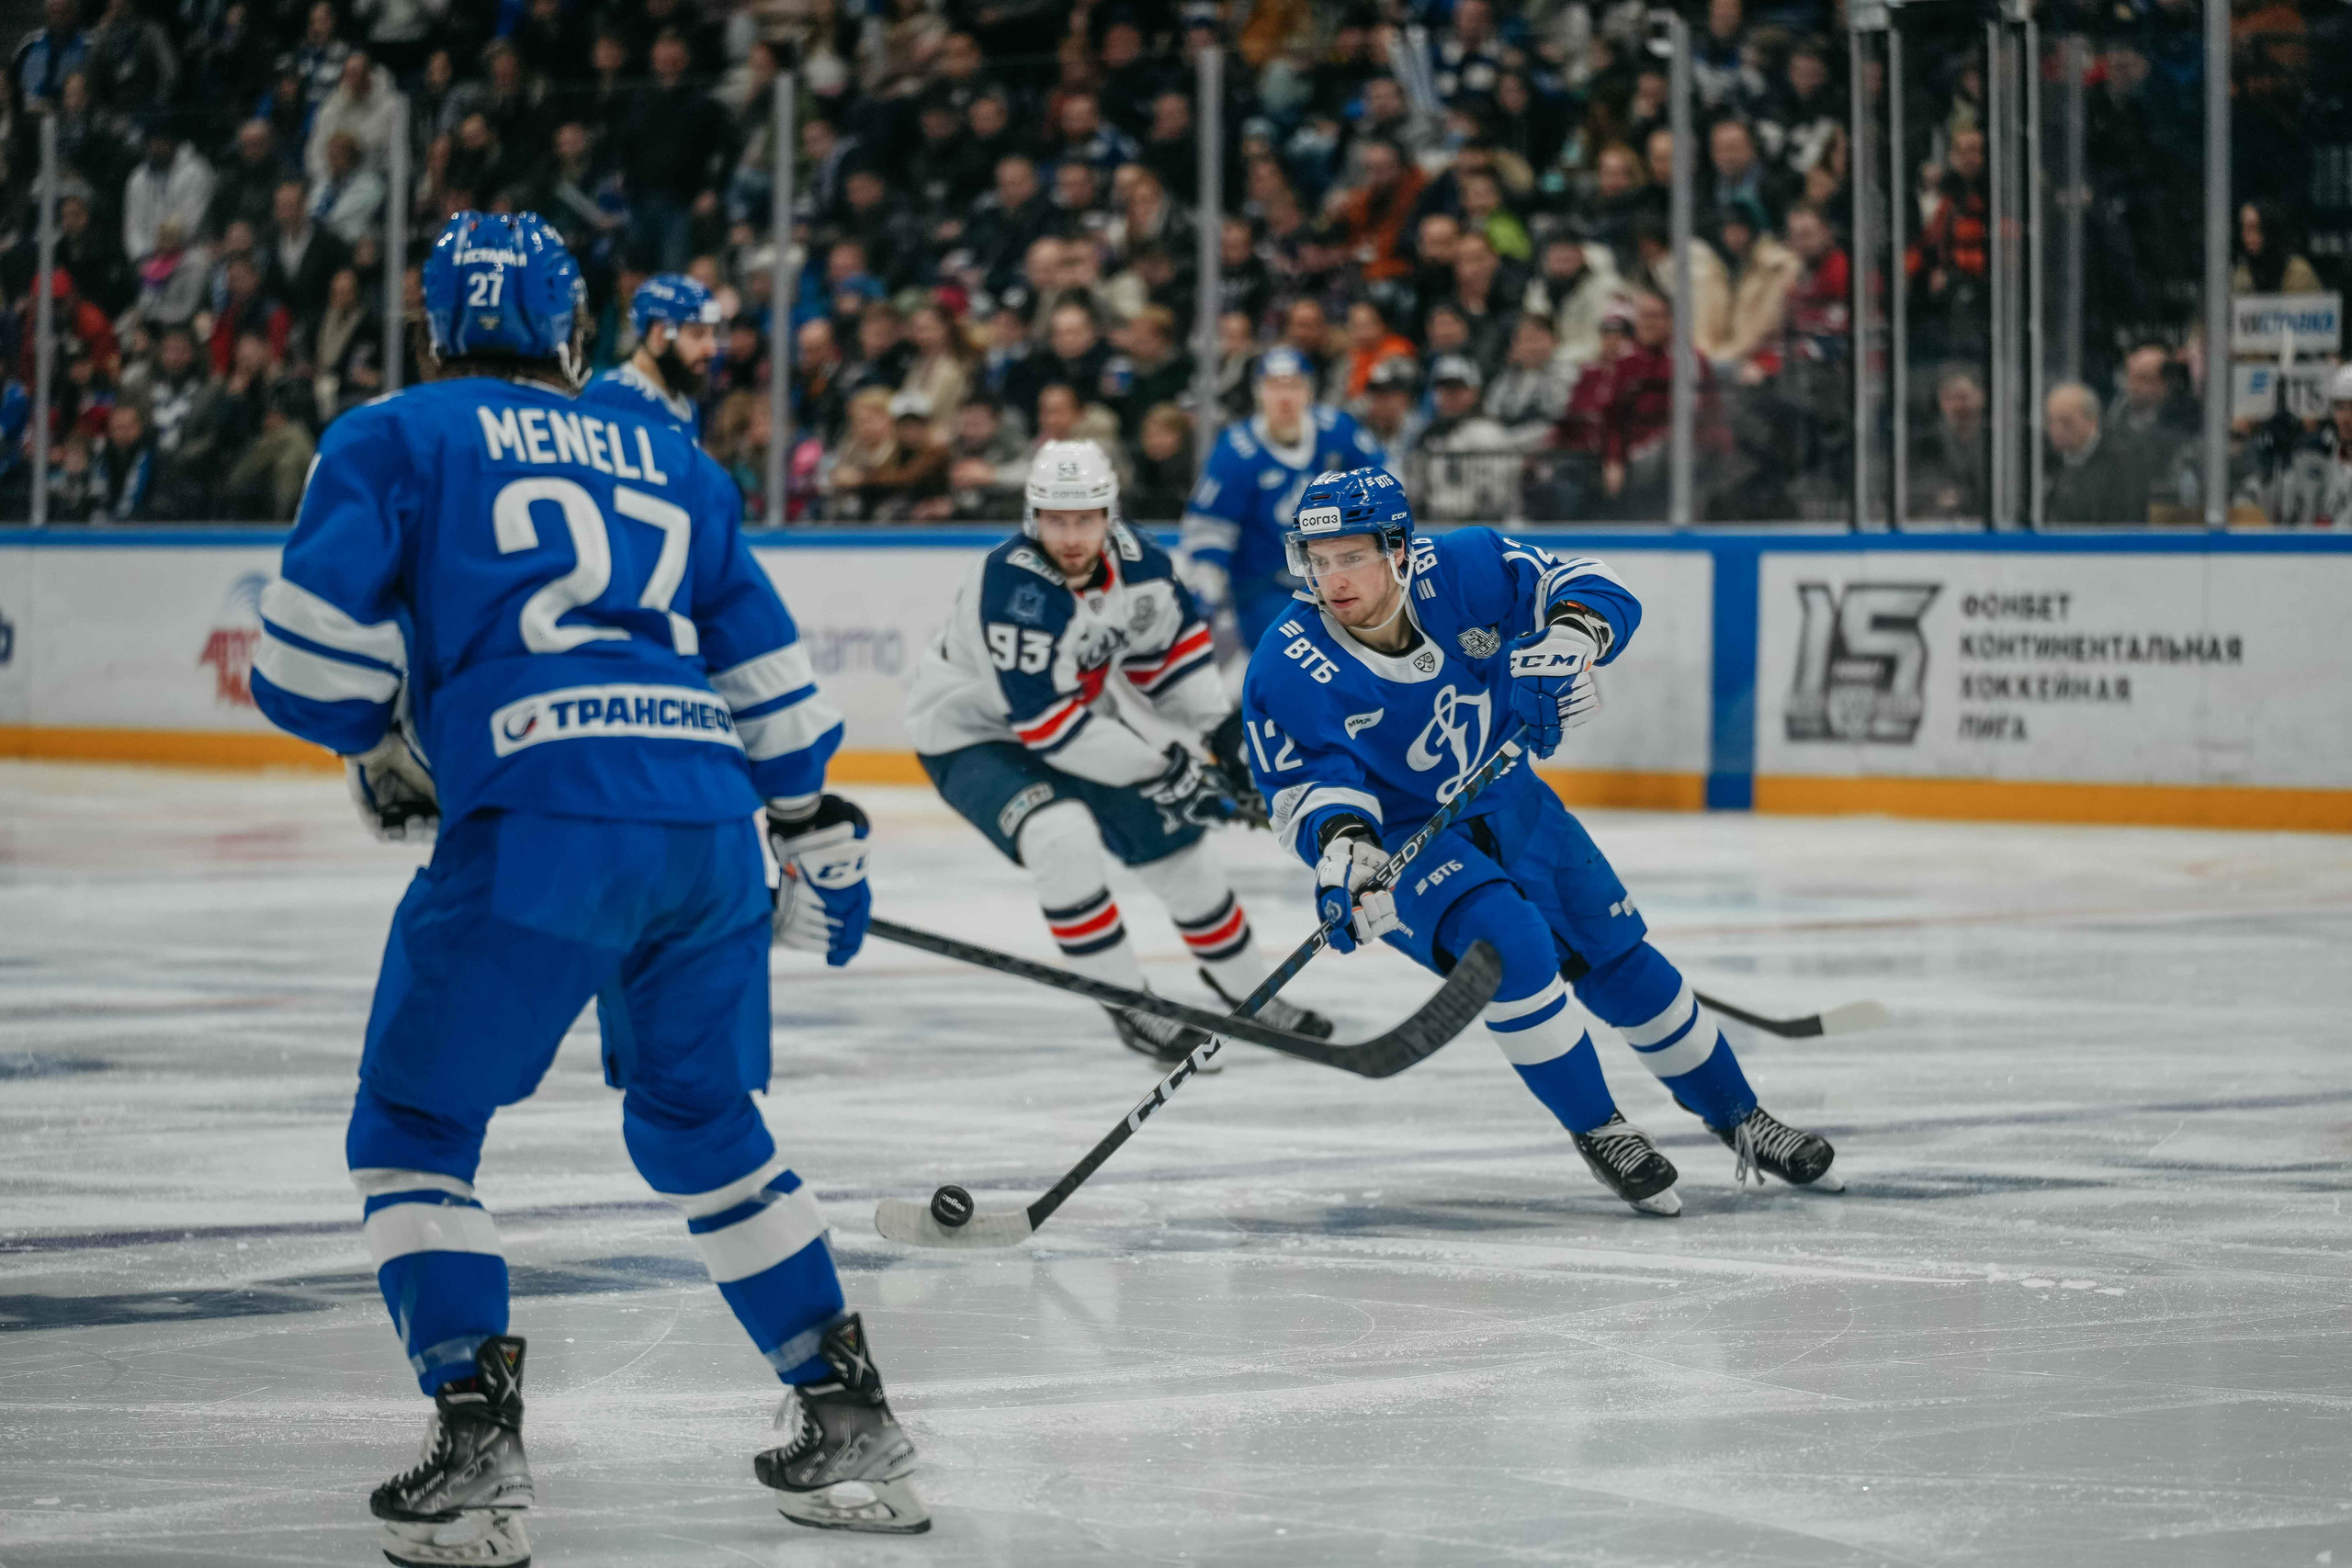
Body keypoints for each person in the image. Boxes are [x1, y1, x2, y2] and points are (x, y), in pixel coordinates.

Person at [247, 210, 929, 1560]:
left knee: (412, 1127)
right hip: (705, 820)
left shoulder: (391, 432)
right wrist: (812, 822)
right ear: (571, 331)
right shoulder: (669, 450)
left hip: (537, 823)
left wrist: (394, 735)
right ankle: (855, 1428)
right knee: (699, 1120)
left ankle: (480, 1459)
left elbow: (309, 674)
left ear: (435, 326)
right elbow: (772, 677)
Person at [1238, 467, 1842, 1215]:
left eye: (1351, 555)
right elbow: (1309, 785)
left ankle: (1742, 1118)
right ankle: (1601, 1129)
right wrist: (1347, 849)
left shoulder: (1466, 567)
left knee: (1620, 961)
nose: (1333, 578)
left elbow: (1589, 581)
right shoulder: (1289, 659)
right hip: (1408, 836)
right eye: (1318, 558)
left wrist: (1572, 636)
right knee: (1513, 942)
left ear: (1399, 549)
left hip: (1511, 797)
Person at [904, 441, 1335, 1066]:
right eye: (1056, 518)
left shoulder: (1143, 569)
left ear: (1109, 514)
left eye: (1085, 518)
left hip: (1080, 723)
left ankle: (1250, 992)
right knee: (1060, 836)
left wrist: (1220, 734)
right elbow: (1047, 728)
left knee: (1179, 849)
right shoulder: (1011, 586)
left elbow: (1175, 666)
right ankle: (1130, 1001)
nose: (1072, 536)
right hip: (970, 736)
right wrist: (1166, 769)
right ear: (1034, 517)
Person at [1180, 345, 1385, 653]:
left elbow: (1387, 487)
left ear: (1310, 391)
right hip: (1263, 587)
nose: (1285, 397)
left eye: (1294, 385)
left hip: (1338, 578)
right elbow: (1209, 527)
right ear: (1258, 393)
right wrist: (1207, 582)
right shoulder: (1236, 451)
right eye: (1274, 386)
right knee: (1291, 664)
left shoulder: (1338, 431)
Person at [580, 272, 720, 434]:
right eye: (697, 334)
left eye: (712, 334)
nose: (712, 348)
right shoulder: (609, 396)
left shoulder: (687, 405)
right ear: (659, 335)